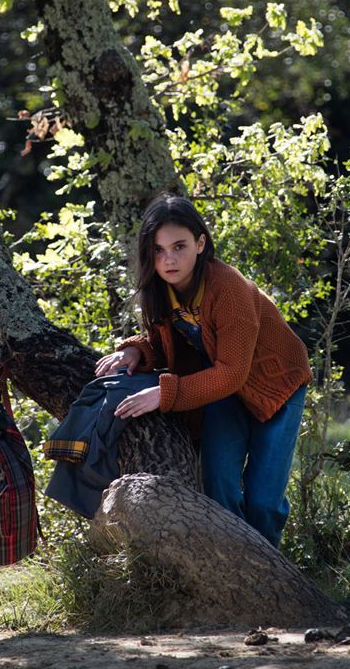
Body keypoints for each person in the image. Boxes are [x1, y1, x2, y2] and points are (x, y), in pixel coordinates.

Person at [95, 194, 312, 547]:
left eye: (179, 246)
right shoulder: (160, 291)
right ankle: (234, 569)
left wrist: (164, 394)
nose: (169, 259)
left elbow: (232, 373)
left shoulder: (228, 288)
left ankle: (269, 578)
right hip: (222, 389)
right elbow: (169, 343)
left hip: (276, 386)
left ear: (200, 243)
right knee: (219, 487)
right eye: (158, 250)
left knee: (262, 501)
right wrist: (137, 350)